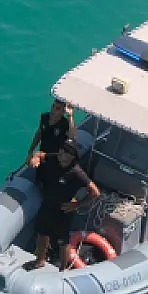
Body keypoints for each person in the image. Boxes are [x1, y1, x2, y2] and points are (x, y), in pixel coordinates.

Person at [26, 141, 100, 270]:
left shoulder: (77, 173)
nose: (62, 152)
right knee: (42, 233)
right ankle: (40, 260)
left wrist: (77, 205)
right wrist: (35, 159)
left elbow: (95, 192)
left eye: (66, 151)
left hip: (62, 211)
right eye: (61, 149)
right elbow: (39, 154)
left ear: (72, 156)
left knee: (63, 242)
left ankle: (63, 269)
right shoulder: (54, 158)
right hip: (47, 205)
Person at [25, 98, 76, 170]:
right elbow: (39, 134)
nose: (53, 110)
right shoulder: (44, 117)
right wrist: (30, 151)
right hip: (43, 153)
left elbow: (72, 137)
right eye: (53, 106)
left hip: (56, 157)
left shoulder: (64, 124)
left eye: (57, 108)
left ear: (63, 112)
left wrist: (70, 116)